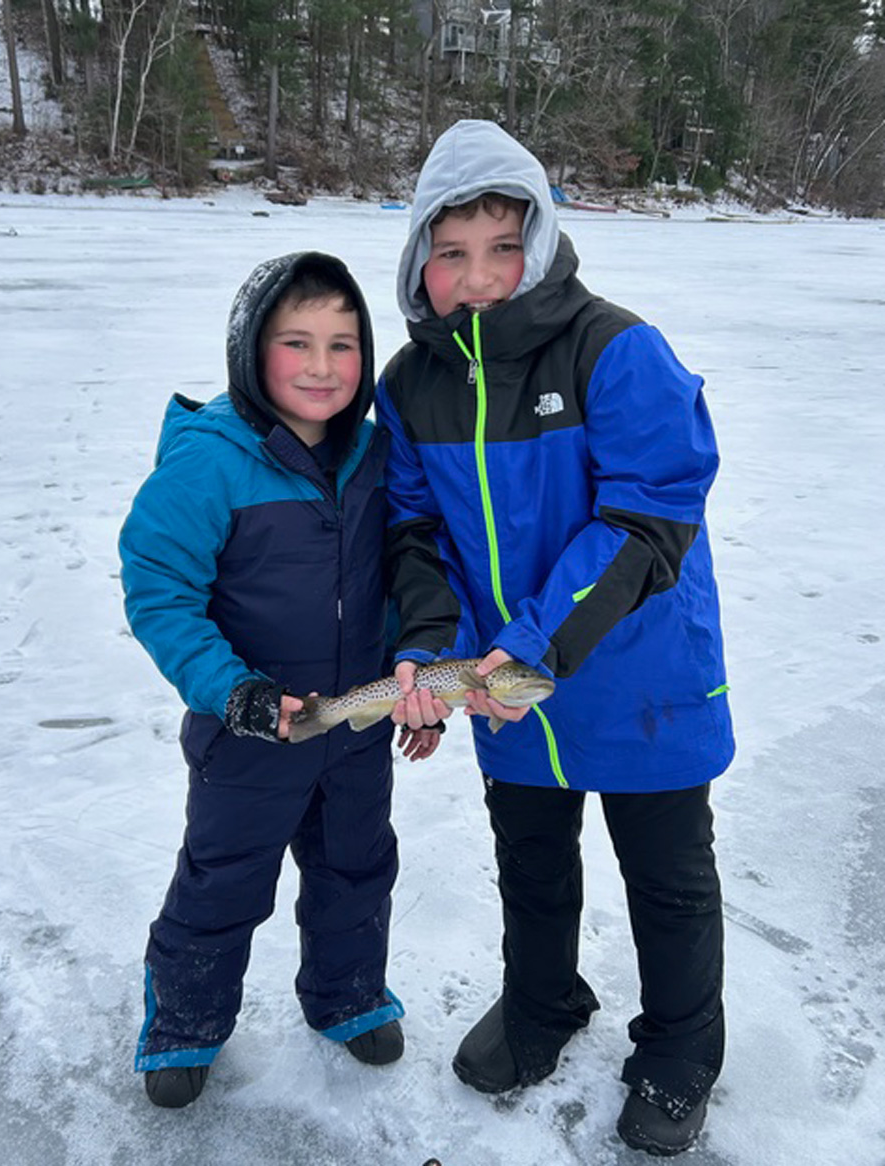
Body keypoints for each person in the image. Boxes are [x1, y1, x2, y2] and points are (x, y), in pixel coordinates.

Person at [376, 120, 735, 1156]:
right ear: (419, 258)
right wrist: (431, 646)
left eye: (503, 246)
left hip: (637, 677)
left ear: (538, 242)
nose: (479, 276)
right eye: (452, 252)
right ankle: (542, 1002)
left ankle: (680, 1047)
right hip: (507, 684)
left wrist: (530, 645)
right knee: (530, 860)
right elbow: (414, 530)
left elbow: (648, 514)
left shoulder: (615, 348)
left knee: (667, 877)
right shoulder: (410, 385)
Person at [120, 251, 439, 1110]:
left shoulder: (376, 455)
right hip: (249, 734)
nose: (321, 367)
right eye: (296, 343)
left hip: (356, 729)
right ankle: (184, 1024)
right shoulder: (210, 461)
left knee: (356, 871)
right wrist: (237, 693)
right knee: (222, 881)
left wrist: (417, 682)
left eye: (343, 344)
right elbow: (161, 592)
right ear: (251, 352)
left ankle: (349, 996)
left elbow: (407, 575)